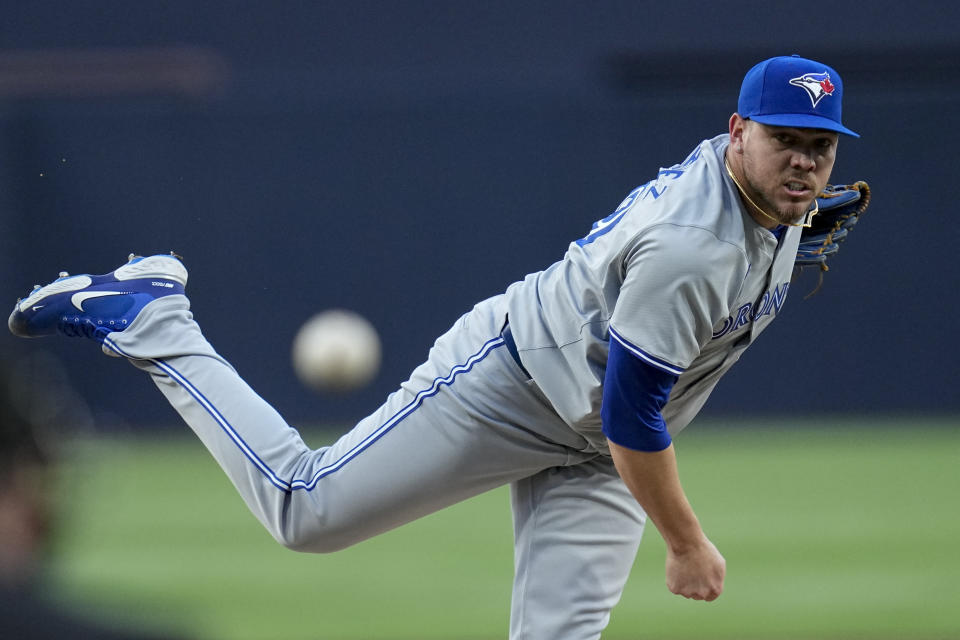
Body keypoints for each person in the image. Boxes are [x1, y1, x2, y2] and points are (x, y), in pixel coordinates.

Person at [8, 55, 859, 639]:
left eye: (820, 147)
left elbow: (631, 401)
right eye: (786, 140)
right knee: (307, 513)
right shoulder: (692, 250)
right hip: (515, 384)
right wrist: (684, 541)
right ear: (737, 129)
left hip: (593, 441)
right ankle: (151, 318)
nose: (805, 165)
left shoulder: (769, 196)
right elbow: (634, 417)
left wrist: (803, 210)